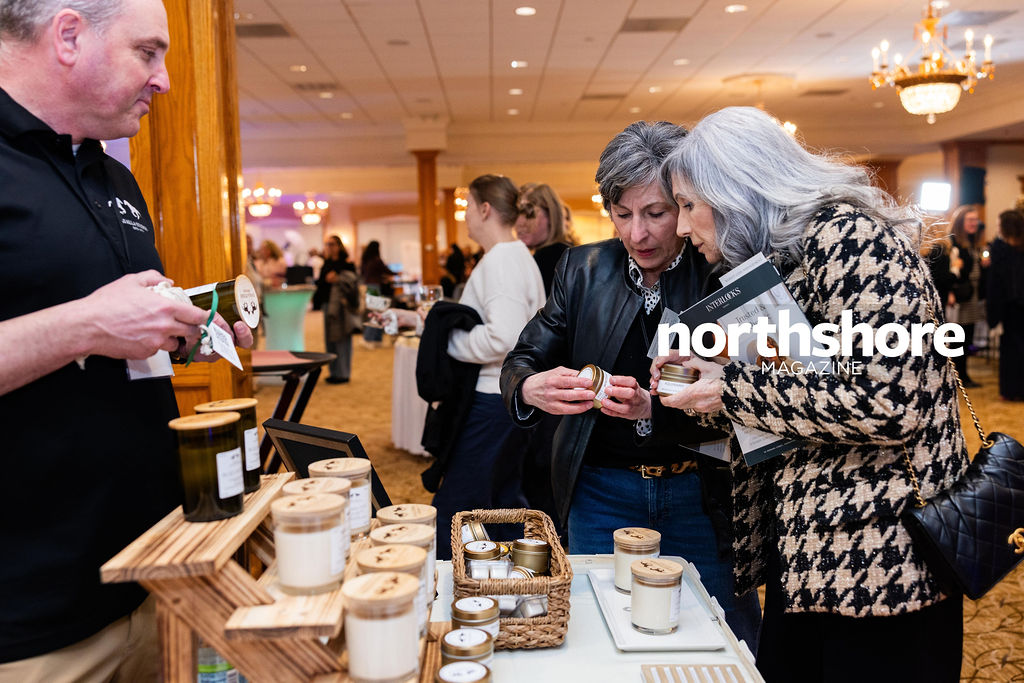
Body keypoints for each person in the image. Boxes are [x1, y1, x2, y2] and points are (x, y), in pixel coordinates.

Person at [657, 106, 969, 681]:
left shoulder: (852, 240)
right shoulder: (791, 257)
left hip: (883, 561)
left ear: (735, 191)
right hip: (814, 552)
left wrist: (732, 389)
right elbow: (804, 394)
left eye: (687, 204)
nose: (681, 226)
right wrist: (708, 383)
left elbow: (888, 401)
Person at [0, 1, 253, 680]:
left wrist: (182, 331)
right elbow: (92, 323)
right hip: (32, 620)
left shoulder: (112, 175)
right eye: (148, 52)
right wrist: (89, 324)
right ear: (69, 35)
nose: (163, 79)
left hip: (153, 573)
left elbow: (115, 334)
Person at [500, 121, 761, 647]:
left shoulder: (722, 269)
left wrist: (653, 408)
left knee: (725, 637)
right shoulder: (582, 269)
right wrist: (529, 387)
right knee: (598, 634)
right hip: (601, 491)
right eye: (622, 215)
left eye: (656, 214)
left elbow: (757, 391)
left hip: (701, 492)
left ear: (685, 205)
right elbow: (522, 358)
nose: (637, 235)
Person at [387, 174, 545, 559]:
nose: (466, 216)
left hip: (492, 399)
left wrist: (448, 345)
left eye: (468, 207)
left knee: (456, 510)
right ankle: (510, 582)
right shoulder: (517, 256)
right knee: (501, 505)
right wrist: (421, 323)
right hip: (509, 399)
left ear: (485, 209)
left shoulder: (501, 260)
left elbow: (504, 337)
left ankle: (445, 587)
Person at [947, 203, 989, 386]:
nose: (974, 223)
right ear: (960, 222)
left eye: (975, 220)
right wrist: (950, 292)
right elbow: (951, 270)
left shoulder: (974, 242)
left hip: (973, 295)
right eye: (970, 220)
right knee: (957, 339)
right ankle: (957, 376)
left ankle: (964, 374)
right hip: (960, 296)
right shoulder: (953, 243)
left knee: (967, 337)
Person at [987, 209, 1024, 401]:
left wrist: (993, 312)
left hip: (1009, 307)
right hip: (1015, 306)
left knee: (1010, 349)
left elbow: (996, 283)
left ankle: (1011, 390)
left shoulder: (1000, 249)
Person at [515, 182, 576, 295]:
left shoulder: (555, 258)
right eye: (516, 214)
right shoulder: (566, 253)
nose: (520, 223)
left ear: (550, 215)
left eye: (530, 213)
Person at [318, 235, 358, 383]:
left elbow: (353, 285)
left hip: (342, 306)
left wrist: (338, 279)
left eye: (332, 244)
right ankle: (334, 372)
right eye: (327, 244)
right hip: (327, 305)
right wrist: (326, 280)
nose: (330, 247)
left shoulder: (347, 264)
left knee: (342, 339)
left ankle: (343, 373)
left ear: (339, 246)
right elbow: (320, 284)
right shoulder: (326, 263)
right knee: (330, 339)